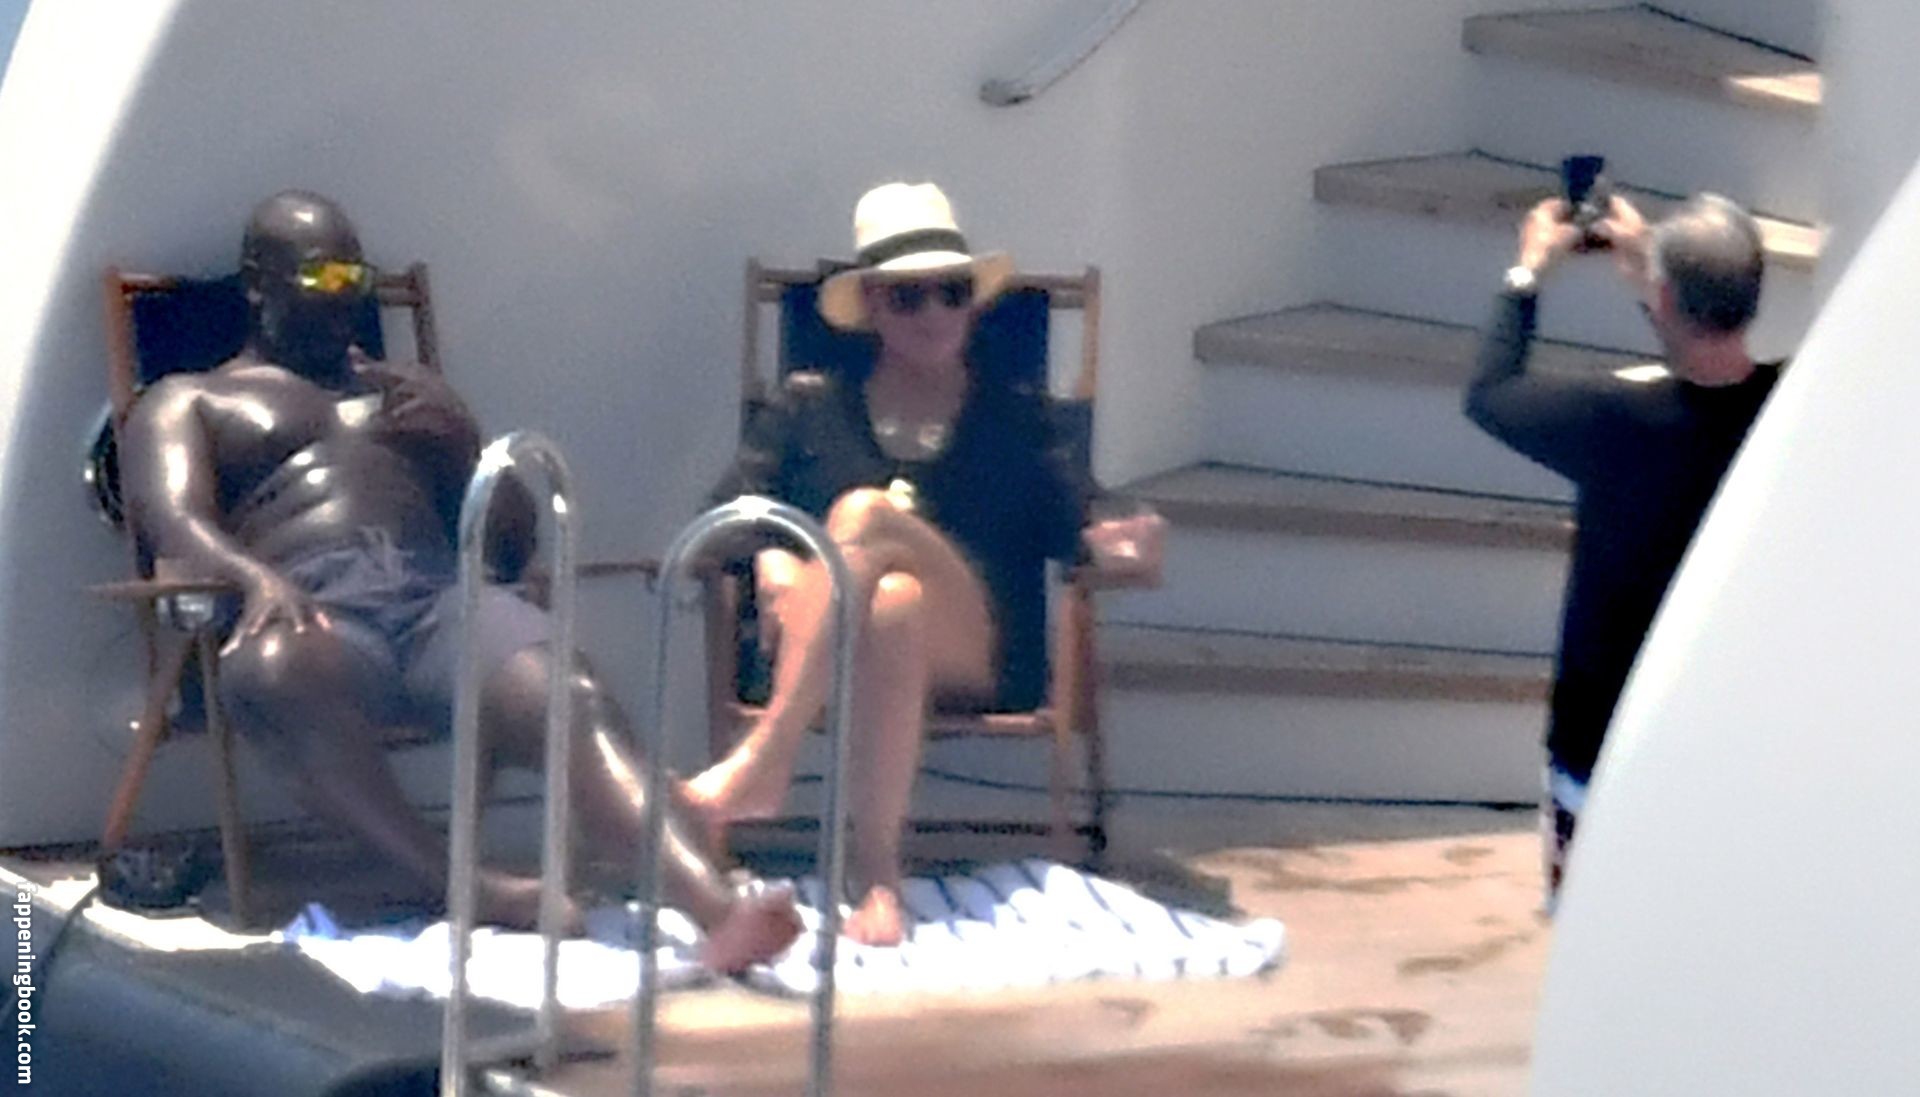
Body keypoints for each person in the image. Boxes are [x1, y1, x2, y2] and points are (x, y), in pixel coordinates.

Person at [118, 190, 798, 970]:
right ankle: (461, 884)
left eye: (354, 277)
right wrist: (252, 578)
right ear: (256, 283)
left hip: (437, 600)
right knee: (271, 666)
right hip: (315, 608)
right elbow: (169, 519)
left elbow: (508, 540)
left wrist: (465, 446)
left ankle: (717, 908)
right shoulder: (192, 398)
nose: (343, 296)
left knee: (567, 689)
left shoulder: (407, 394)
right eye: (320, 275)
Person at [689, 181, 1165, 945]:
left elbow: (1089, 514)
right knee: (893, 602)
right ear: (871, 306)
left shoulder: (1015, 415)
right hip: (840, 644)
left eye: (952, 291)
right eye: (909, 297)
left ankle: (768, 755)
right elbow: (717, 526)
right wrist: (773, 556)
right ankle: (877, 875)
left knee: (866, 514)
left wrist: (1128, 537)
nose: (935, 313)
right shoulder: (810, 407)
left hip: (975, 652)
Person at [1464, 192, 1783, 901]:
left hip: (1602, 742)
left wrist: (1528, 271)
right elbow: (1710, 363)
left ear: (1666, 299)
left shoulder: (1614, 420)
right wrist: (1652, 273)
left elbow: (1491, 391)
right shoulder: (1786, 410)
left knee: (1587, 924)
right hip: (1729, 740)